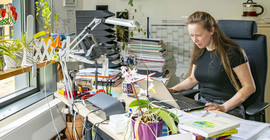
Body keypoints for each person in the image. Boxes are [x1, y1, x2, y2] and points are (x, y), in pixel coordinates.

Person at [168, 11, 256, 118]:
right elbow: (192, 79)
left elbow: (249, 87)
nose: (195, 40)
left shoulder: (232, 53)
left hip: (228, 107)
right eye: (192, 36)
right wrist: (171, 90)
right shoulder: (199, 51)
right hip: (202, 106)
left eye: (199, 35)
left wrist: (223, 107)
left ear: (211, 30)